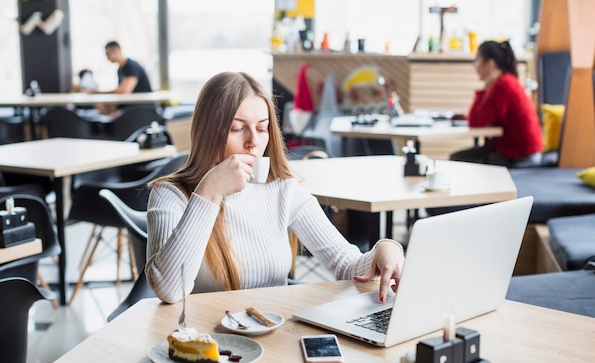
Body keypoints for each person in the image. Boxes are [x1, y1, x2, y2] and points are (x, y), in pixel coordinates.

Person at [145, 71, 405, 304]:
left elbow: (346, 265)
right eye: (238, 129)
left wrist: (385, 250)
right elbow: (169, 290)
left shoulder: (283, 191)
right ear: (208, 132)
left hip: (274, 338)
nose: (253, 142)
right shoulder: (171, 195)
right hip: (207, 347)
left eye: (262, 128)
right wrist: (209, 192)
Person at [450, 40, 543, 167]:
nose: (475, 66)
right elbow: (488, 117)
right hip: (511, 150)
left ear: (490, 64)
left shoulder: (503, 85)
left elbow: (475, 121)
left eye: (477, 61)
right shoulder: (504, 82)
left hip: (520, 156)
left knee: (458, 160)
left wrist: (484, 89)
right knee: (458, 158)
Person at [91, 41, 153, 115]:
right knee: (101, 105)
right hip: (130, 104)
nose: (107, 58)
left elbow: (124, 91)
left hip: (141, 106)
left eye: (108, 54)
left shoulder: (131, 66)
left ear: (117, 50)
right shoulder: (120, 69)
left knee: (104, 107)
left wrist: (99, 92)